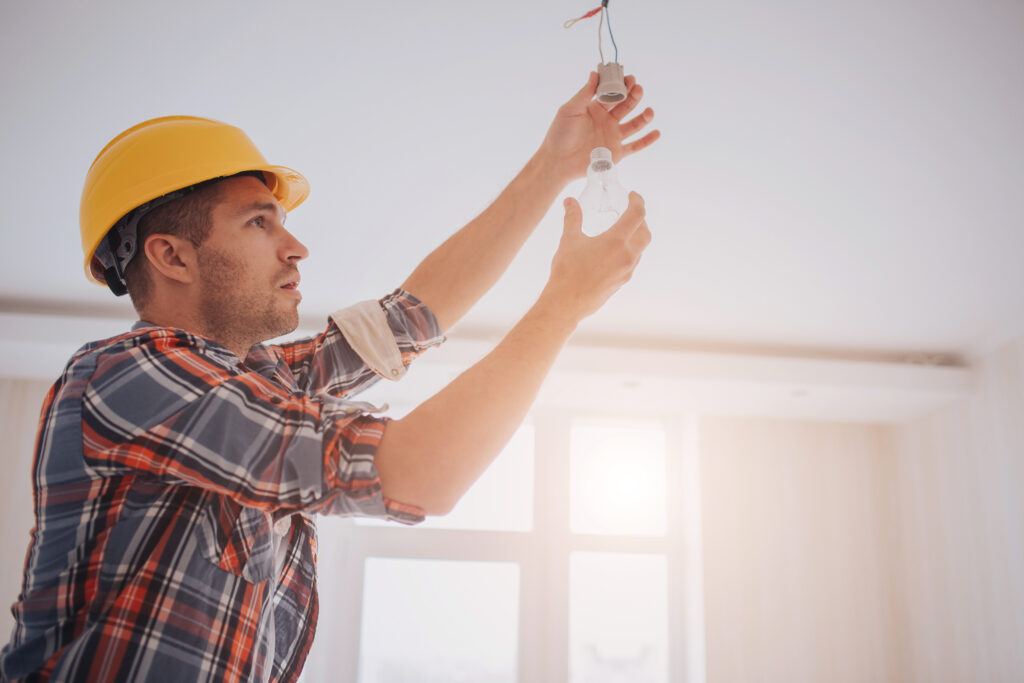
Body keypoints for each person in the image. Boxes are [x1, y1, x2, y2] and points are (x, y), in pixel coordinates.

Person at [1, 71, 658, 681]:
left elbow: (409, 318)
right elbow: (416, 472)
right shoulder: (125, 376)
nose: (297, 246)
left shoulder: (256, 380)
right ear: (171, 255)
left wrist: (554, 167)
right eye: (259, 221)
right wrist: (563, 304)